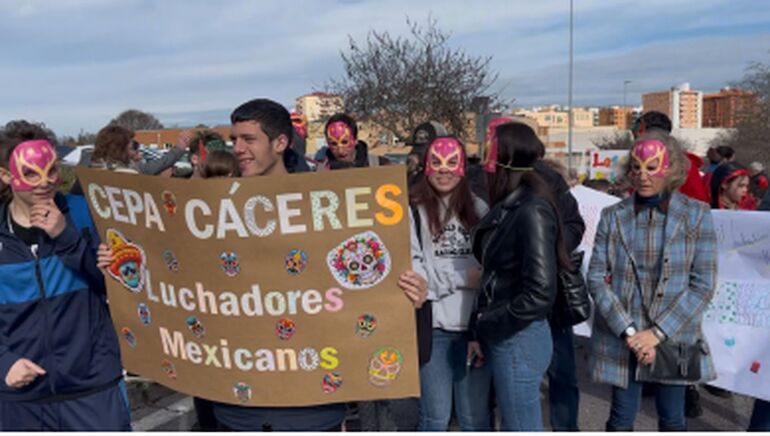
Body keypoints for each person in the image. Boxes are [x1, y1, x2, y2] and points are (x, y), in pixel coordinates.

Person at [0, 121, 129, 431]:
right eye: (30, 173)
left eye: (51, 170)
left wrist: (66, 237)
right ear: (6, 176)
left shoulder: (88, 214)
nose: (45, 182)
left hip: (93, 388)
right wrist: (3, 361)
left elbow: (120, 287)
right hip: (21, 395)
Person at [587, 130, 717, 431]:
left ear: (671, 168)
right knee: (620, 418)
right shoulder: (612, 215)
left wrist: (656, 334)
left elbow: (703, 284)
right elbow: (596, 277)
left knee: (672, 418)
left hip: (675, 333)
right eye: (636, 167)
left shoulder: (697, 215)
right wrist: (630, 332)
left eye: (652, 166)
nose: (642, 176)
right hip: (624, 337)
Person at [484, 117, 586, 431]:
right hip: (516, 326)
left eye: (491, 146)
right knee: (517, 419)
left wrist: (494, 321)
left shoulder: (532, 207)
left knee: (521, 423)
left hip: (519, 329)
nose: (486, 155)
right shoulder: (512, 199)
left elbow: (540, 290)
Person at [409, 137, 491, 431]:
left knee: (475, 419)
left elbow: (487, 272)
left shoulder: (480, 208)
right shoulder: (412, 210)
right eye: (437, 163)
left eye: (451, 162)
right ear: (426, 166)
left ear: (463, 167)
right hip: (433, 329)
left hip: (474, 329)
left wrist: (464, 280)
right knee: (434, 418)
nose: (444, 171)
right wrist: (461, 278)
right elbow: (415, 280)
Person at [318, 113, 389, 170]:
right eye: (333, 144)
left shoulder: (381, 165)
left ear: (355, 140)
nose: (340, 150)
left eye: (345, 142)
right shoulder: (321, 173)